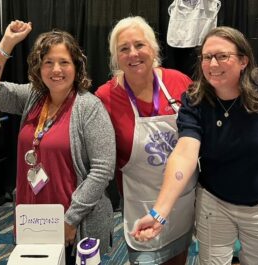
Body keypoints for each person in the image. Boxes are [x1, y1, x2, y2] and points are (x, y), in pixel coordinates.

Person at [131, 26, 258, 265]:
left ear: (243, 60)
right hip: (215, 204)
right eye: (207, 57)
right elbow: (185, 153)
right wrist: (159, 212)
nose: (212, 64)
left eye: (222, 56)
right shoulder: (195, 99)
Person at [0, 20, 116, 264]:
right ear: (39, 68)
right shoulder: (32, 97)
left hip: (73, 223)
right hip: (32, 218)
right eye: (48, 62)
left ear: (76, 66)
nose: (56, 69)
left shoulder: (89, 106)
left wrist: (70, 220)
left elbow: (103, 170)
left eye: (64, 62)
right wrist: (7, 43)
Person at [95, 16, 197, 265]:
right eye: (123, 48)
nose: (133, 54)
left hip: (182, 200)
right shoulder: (106, 97)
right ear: (115, 57)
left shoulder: (179, 82)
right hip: (140, 202)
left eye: (139, 45)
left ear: (153, 49)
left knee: (179, 259)